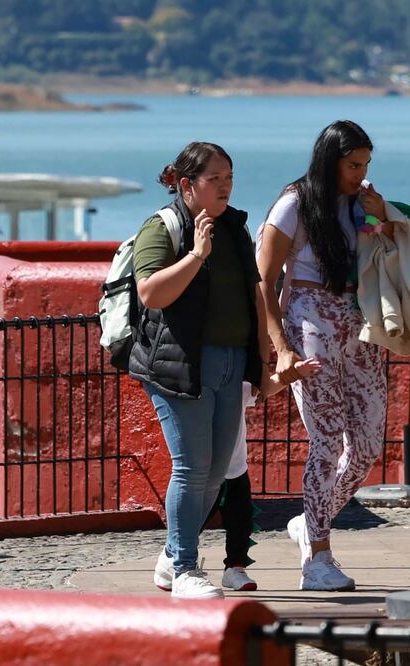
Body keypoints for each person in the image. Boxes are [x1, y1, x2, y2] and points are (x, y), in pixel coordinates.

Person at [255, 120, 390, 591]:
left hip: (360, 324)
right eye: (354, 164)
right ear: (332, 160)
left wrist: (382, 217)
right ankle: (317, 558)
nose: (361, 173)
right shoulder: (295, 202)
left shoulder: (363, 200)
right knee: (328, 442)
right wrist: (282, 348)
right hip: (309, 319)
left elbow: (384, 254)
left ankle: (309, 521)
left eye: (366, 164)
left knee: (369, 445)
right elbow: (264, 279)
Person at [130, 141, 265, 600]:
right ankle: (186, 567)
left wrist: (264, 361)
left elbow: (253, 294)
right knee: (190, 468)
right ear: (187, 185)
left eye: (230, 177)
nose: (225, 186)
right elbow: (150, 294)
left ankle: (173, 556)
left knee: (214, 472)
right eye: (215, 179)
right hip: (177, 365)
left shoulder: (235, 228)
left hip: (229, 361)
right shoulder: (163, 227)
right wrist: (195, 256)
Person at [154, 358, 323, 593]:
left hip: (235, 470)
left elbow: (267, 387)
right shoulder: (200, 391)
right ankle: (173, 558)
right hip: (206, 473)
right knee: (195, 519)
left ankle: (236, 567)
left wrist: (295, 372)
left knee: (241, 522)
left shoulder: (235, 387)